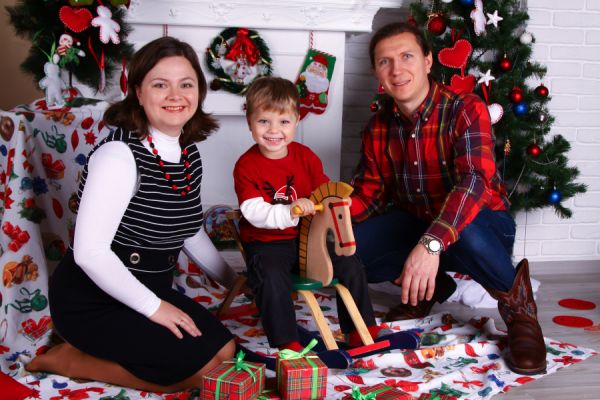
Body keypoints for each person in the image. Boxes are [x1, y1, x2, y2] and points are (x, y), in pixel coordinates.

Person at [26, 36, 237, 392]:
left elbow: (187, 230)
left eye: (186, 84)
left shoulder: (188, 154)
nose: (175, 95)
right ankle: (68, 359)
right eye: (160, 85)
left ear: (199, 92)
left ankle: (114, 347)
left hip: (147, 288)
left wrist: (235, 281)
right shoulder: (119, 156)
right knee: (201, 375)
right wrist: (154, 308)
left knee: (225, 353)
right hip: (92, 299)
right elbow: (90, 253)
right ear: (138, 92)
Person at [349, 22, 546, 375]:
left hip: (481, 228)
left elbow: (474, 182)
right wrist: (327, 215)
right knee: (349, 248)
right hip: (419, 225)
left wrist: (431, 245)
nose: (396, 69)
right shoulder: (378, 127)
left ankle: (521, 314)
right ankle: (429, 287)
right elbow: (370, 194)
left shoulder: (465, 108)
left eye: (407, 56)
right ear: (377, 72)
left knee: (465, 228)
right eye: (385, 61)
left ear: (427, 60)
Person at [233, 76, 388, 352]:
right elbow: (253, 211)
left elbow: (322, 192)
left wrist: (336, 202)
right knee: (271, 276)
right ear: (249, 123)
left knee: (349, 262)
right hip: (266, 244)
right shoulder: (246, 165)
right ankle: (287, 342)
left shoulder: (305, 157)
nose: (274, 130)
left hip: (305, 239)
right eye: (264, 121)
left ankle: (360, 329)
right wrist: (291, 209)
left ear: (296, 121)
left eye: (283, 121)